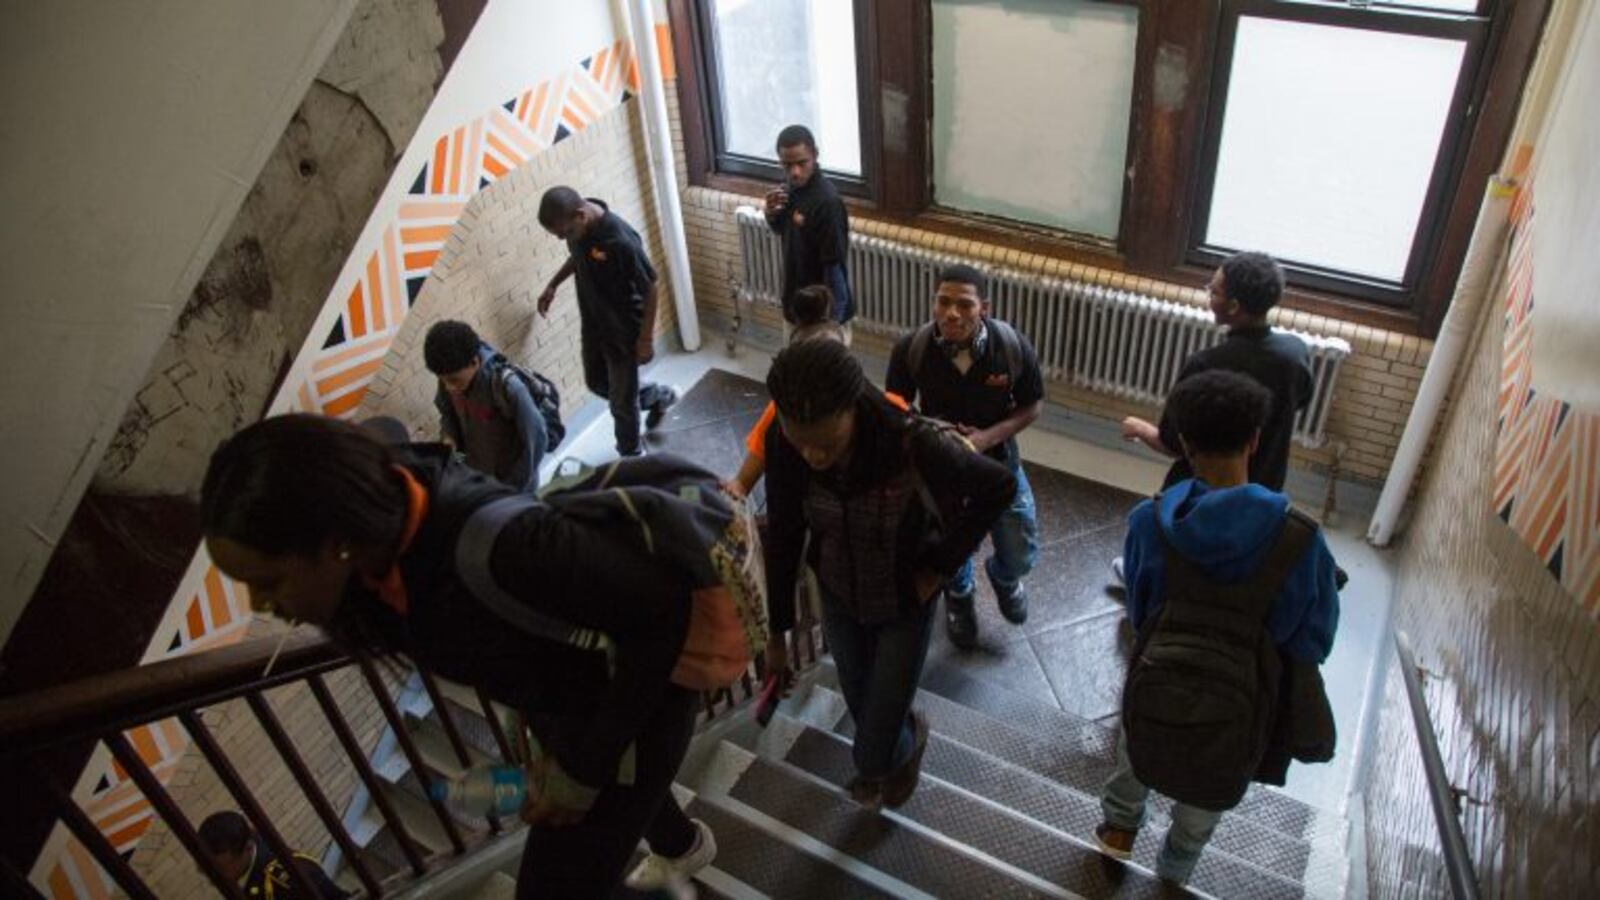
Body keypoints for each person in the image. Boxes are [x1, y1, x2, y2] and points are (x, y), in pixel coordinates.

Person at [201, 415, 713, 898]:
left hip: (636, 709)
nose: (260, 604)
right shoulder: (378, 561)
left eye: (266, 582)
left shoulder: (504, 546)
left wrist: (580, 773)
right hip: (575, 711)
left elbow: (661, 615)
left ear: (335, 541)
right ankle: (682, 848)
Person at [1094, 370, 1340, 884]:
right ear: (1255, 440)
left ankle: (1117, 832)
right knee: (1218, 770)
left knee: (1134, 742)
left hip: (1159, 672)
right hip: (1244, 695)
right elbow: (1312, 636)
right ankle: (1178, 865)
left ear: (1183, 443)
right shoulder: (1300, 540)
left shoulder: (1148, 521)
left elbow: (1139, 611)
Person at [762, 340, 1015, 809]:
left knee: (871, 750)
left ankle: (893, 758)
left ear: (853, 408)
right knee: (863, 706)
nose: (812, 457)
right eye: (800, 442)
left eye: (826, 443)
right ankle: (895, 742)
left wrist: (940, 568)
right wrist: (777, 634)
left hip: (904, 601)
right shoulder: (785, 443)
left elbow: (999, 486)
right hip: (838, 592)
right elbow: (783, 533)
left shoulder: (913, 443)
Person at [1115, 251, 1313, 585]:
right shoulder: (1295, 352)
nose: (1209, 294)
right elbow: (1300, 400)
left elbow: (1173, 442)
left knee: (1179, 542)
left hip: (1202, 486)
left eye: (1215, 290)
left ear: (1234, 307)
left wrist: (1139, 428)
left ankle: (1146, 581)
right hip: (1266, 477)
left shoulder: (1206, 364)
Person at [886, 263, 1044, 648]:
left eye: (964, 304)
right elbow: (897, 408)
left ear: (983, 308)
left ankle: (1005, 578)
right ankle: (959, 596)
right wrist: (929, 437)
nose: (951, 313)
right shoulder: (913, 348)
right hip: (941, 471)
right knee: (948, 544)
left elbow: (1032, 406)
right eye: (943, 302)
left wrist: (987, 437)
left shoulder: (1010, 347)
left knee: (1020, 547)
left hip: (999, 463)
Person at [536, 187, 676, 457]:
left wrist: (645, 339)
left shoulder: (620, 240)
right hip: (594, 323)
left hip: (623, 329)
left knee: (622, 403)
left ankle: (631, 454)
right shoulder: (578, 229)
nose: (563, 239)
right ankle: (659, 396)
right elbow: (576, 257)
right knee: (597, 382)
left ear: (581, 215)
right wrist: (553, 284)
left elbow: (651, 286)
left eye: (565, 234)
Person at [727, 284, 849, 499]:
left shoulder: (883, 417)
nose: (815, 456)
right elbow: (760, 447)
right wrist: (740, 484)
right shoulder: (782, 410)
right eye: (802, 443)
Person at [424, 320, 548, 492]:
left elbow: (537, 440)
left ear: (474, 362)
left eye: (454, 380)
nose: (448, 387)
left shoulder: (507, 388)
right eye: (442, 380)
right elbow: (447, 414)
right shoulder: (449, 375)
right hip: (477, 479)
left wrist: (510, 490)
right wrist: (449, 437)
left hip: (513, 488)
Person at [763, 125, 852, 340]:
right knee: (795, 370)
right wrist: (770, 213)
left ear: (815, 156)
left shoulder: (827, 203)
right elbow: (781, 230)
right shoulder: (788, 190)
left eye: (802, 163)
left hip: (821, 318)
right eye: (787, 165)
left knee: (822, 372)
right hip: (795, 306)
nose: (795, 172)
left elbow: (835, 268)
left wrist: (832, 328)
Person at [197, 810, 349, 899]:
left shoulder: (289, 881)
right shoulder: (247, 844)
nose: (209, 873)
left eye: (220, 868)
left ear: (248, 849)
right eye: (203, 865)